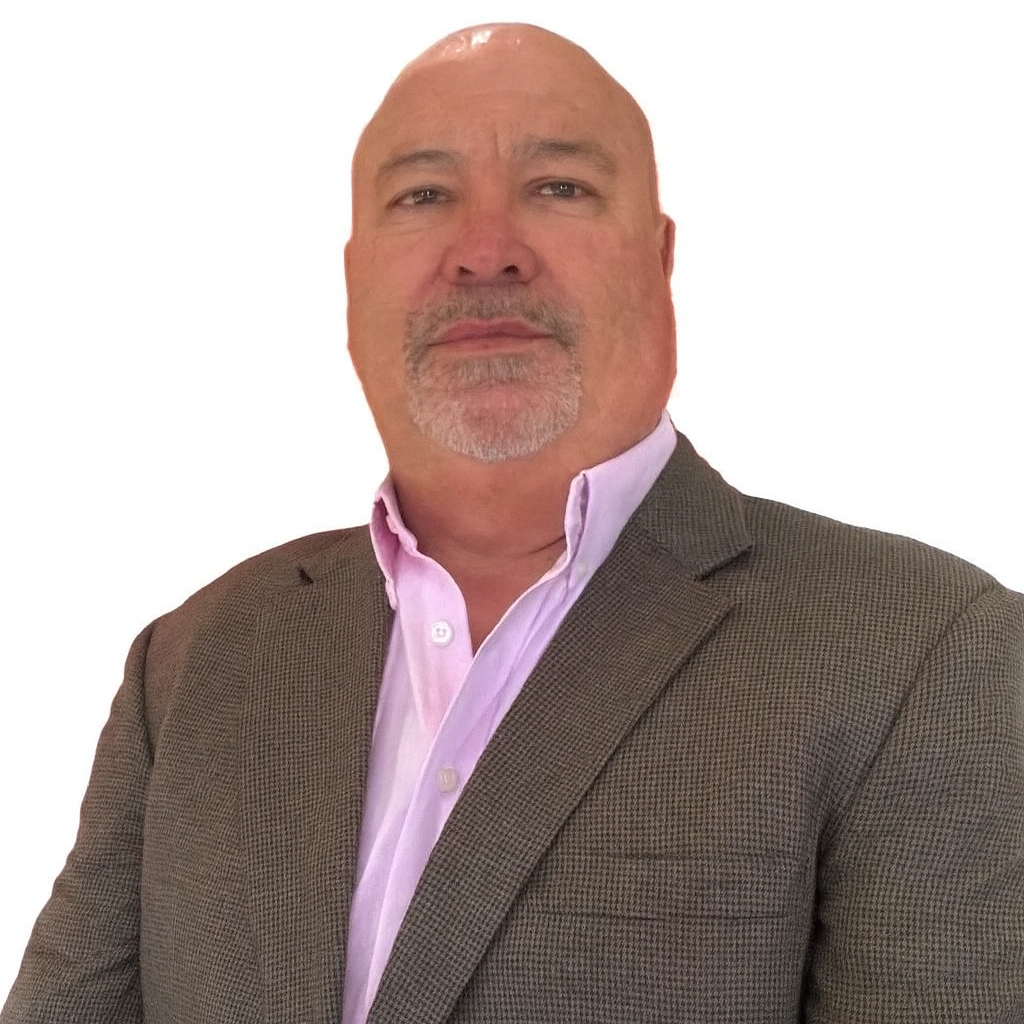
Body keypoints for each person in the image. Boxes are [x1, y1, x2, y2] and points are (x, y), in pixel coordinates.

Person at [3, 22, 1022, 1024]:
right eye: (423, 195)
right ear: (353, 280)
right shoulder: (193, 659)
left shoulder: (926, 651)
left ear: (658, 257)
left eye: (558, 187)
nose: (485, 251)